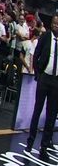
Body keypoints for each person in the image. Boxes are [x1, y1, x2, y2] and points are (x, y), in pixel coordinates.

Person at [31, 17, 58, 151]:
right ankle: (30, 140)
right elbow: (36, 55)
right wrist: (37, 74)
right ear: (51, 24)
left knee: (52, 114)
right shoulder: (46, 36)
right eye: (54, 23)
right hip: (44, 78)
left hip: (56, 81)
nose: (56, 26)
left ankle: (45, 144)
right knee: (37, 110)